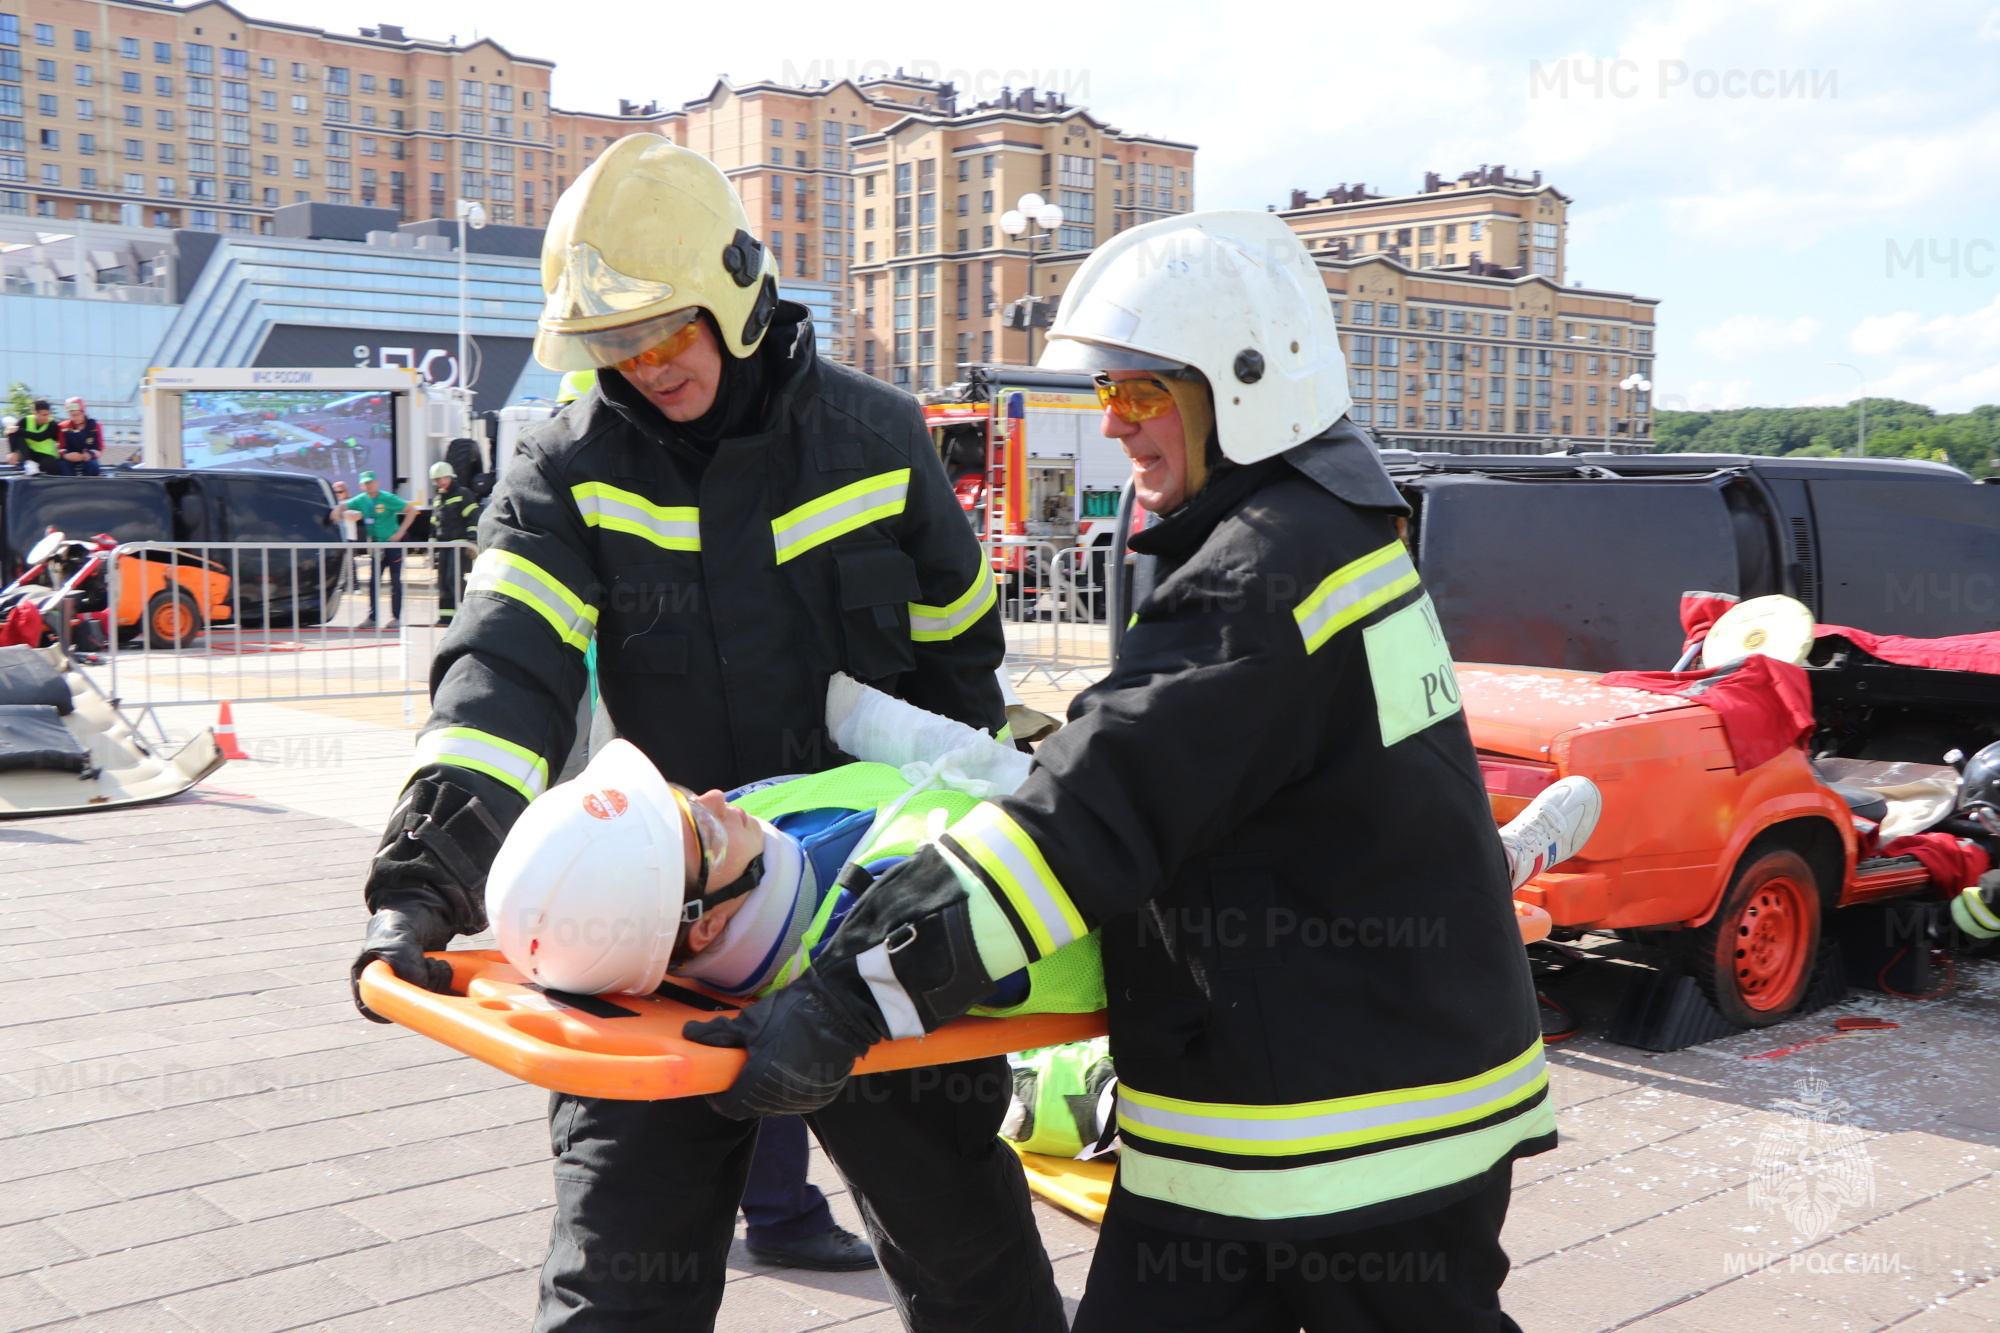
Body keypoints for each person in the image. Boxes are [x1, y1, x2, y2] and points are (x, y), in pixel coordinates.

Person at [690, 210, 1565, 1331]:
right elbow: (1215, 779)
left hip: (1340, 1134)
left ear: (1246, 384)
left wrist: (846, 995)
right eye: (1106, 396)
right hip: (1313, 1099)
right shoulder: (1329, 533)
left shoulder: (1264, 569)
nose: (1116, 426)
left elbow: (1091, 818)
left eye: (1142, 393)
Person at [349, 135, 1056, 1331]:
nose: (644, 365)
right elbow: (501, 678)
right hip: (651, 925)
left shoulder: (879, 442)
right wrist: (421, 883)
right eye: (612, 343)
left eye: (664, 331)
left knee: (975, 1273)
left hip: (866, 924)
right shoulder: (565, 470)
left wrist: (963, 913)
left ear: (734, 293)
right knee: (615, 1291)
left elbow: (962, 691)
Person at [333, 470, 414, 629]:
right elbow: (344, 506)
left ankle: (396, 618)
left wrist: (400, 532)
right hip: (376, 546)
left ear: (377, 483)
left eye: (371, 482)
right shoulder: (361, 499)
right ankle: (372, 618)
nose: (369, 485)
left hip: (393, 546)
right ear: (361, 485)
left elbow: (411, 510)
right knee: (373, 582)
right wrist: (337, 511)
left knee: (395, 581)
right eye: (365, 483)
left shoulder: (387, 498)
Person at [425, 460, 479, 626]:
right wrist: (431, 547)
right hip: (444, 546)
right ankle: (446, 618)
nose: (441, 482)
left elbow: (473, 516)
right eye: (437, 479)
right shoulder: (437, 499)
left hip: (459, 543)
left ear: (451, 476)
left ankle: (471, 612)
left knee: (453, 579)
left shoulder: (463, 493)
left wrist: (472, 538)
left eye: (443, 478)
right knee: (443, 582)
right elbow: (435, 523)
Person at [7, 400, 61, 471]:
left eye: (48, 414)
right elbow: (12, 432)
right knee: (17, 434)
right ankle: (29, 463)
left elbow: (39, 437)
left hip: (47, 456)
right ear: (35, 413)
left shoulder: (52, 424)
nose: (46, 417)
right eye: (44, 415)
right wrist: (12, 452)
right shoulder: (25, 420)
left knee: (48, 464)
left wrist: (19, 430)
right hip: (30, 455)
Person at [57, 399, 103, 476]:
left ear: (84, 413)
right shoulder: (63, 427)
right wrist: (66, 455)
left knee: (93, 465)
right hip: (69, 459)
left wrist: (90, 454)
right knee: (62, 465)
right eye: (72, 415)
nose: (74, 418)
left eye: (77, 415)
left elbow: (99, 448)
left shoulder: (95, 426)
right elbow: (60, 447)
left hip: (88, 459)